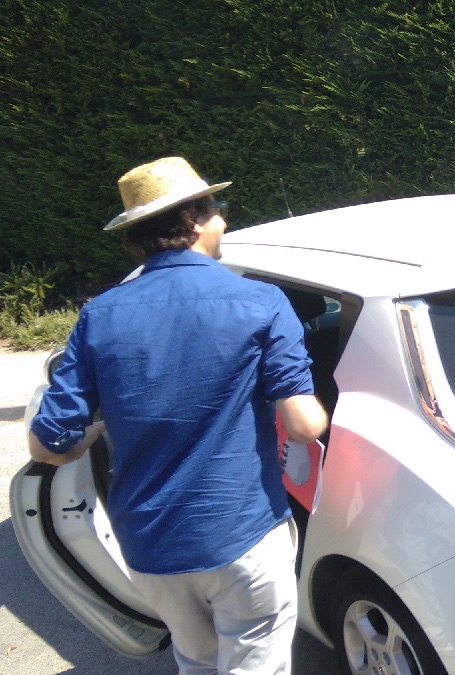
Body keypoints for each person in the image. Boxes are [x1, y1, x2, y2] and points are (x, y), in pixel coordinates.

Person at [27, 156, 329, 673]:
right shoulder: (261, 301)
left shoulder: (100, 314)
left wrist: (89, 437)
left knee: (196, 660)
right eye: (217, 211)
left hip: (150, 547)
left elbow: (46, 447)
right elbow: (304, 425)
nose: (224, 221)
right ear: (192, 220)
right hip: (242, 536)